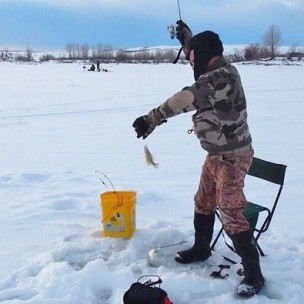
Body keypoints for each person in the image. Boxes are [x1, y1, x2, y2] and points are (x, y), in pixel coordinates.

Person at [132, 21, 265, 297]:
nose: (191, 59)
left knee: (230, 213)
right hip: (216, 154)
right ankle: (202, 248)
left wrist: (152, 118)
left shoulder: (221, 78)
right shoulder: (215, 72)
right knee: (203, 201)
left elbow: (186, 98)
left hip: (232, 157)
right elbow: (197, 58)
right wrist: (187, 40)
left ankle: (254, 275)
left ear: (206, 55)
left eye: (194, 55)